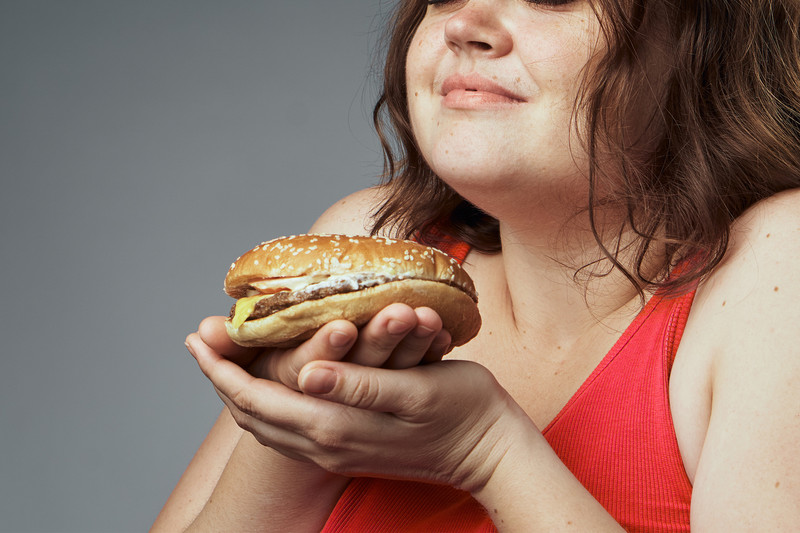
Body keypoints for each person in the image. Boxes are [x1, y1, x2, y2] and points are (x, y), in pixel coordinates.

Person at [153, 0, 800, 531]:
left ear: (706, 33)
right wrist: (300, 431)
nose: (465, 25)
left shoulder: (774, 268)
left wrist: (487, 450)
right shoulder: (374, 239)